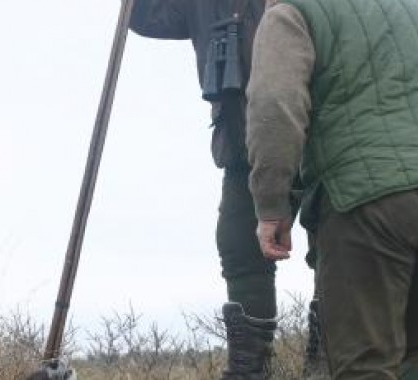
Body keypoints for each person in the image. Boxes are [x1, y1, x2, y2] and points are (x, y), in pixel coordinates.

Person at [245, 0, 418, 378]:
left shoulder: (291, 12)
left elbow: (275, 105)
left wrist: (271, 205)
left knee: (365, 364)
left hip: (365, 201)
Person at [129, 1, 291, 378]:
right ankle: (251, 371)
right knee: (238, 244)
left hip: (311, 132)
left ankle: (332, 362)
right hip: (242, 147)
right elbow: (144, 16)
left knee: (335, 246)